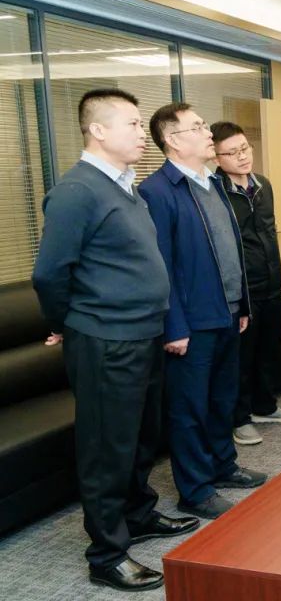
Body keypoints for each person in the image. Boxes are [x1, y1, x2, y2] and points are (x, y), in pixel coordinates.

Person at [31, 89, 198, 592]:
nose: (141, 133)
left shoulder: (124, 187)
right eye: (132, 123)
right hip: (106, 339)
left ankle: (138, 514)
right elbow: (50, 273)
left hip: (143, 333)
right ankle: (106, 554)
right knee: (107, 447)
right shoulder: (77, 191)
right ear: (98, 130)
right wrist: (67, 322)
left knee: (141, 436)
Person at [140, 103, 268, 520]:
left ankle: (222, 465)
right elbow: (161, 266)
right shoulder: (158, 191)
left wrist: (241, 304)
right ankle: (194, 489)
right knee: (190, 407)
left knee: (221, 398)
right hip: (191, 322)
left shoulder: (212, 182)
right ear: (173, 140)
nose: (208, 133)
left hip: (226, 312)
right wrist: (173, 325)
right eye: (197, 127)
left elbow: (229, 249)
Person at [211, 121, 281, 446]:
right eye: (232, 152)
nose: (242, 156)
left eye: (245, 148)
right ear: (216, 157)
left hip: (272, 281)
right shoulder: (215, 191)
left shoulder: (263, 184)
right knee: (242, 356)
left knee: (268, 349)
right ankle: (240, 417)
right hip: (242, 289)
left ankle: (265, 406)